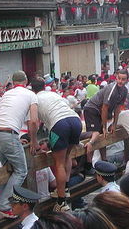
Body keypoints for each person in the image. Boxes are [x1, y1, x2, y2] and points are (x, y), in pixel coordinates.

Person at [30, 77, 82, 212]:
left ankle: (61, 201)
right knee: (67, 156)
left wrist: (34, 141)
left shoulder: (34, 99)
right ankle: (64, 188)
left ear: (32, 88)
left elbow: (34, 122)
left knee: (58, 162)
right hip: (75, 120)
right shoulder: (53, 93)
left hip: (59, 124)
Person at [0, 70, 39, 219]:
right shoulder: (31, 95)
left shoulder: (6, 94)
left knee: (5, 170)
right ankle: (4, 205)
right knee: (21, 171)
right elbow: (33, 121)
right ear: (26, 82)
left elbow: (5, 114)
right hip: (8, 134)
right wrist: (34, 140)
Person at [83, 70, 128, 170]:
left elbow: (117, 109)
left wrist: (114, 124)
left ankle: (104, 159)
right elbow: (104, 108)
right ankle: (88, 163)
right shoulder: (112, 89)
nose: (120, 81)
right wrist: (104, 126)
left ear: (127, 80)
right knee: (96, 133)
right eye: (119, 78)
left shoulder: (124, 91)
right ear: (116, 78)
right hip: (92, 109)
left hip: (101, 111)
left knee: (102, 135)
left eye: (123, 79)